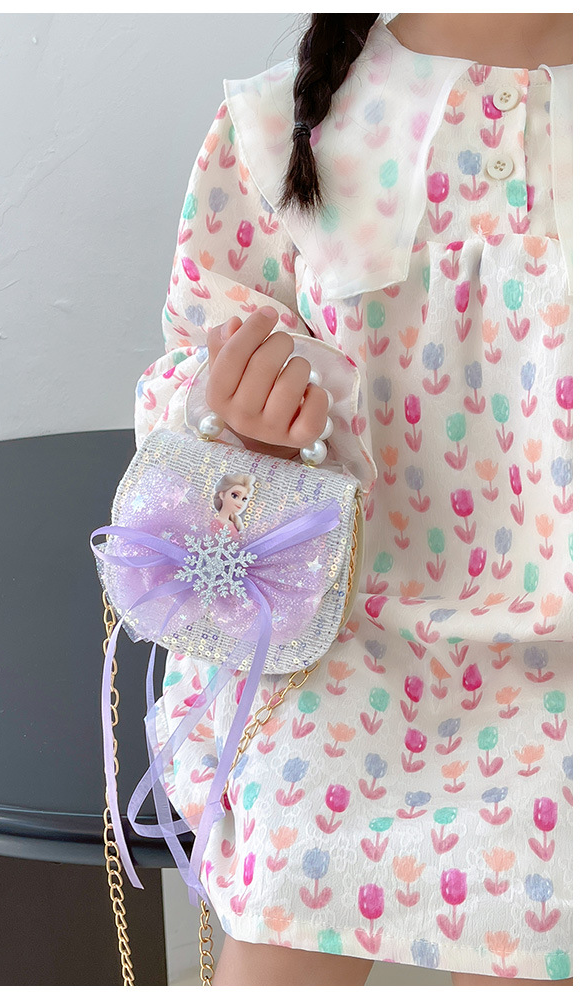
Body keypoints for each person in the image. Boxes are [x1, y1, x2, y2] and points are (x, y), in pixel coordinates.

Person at [133, 13, 573, 986]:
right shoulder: (288, 124)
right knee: (293, 874)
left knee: (547, 897)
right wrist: (241, 420)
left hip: (567, 684)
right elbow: (197, 370)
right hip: (347, 646)